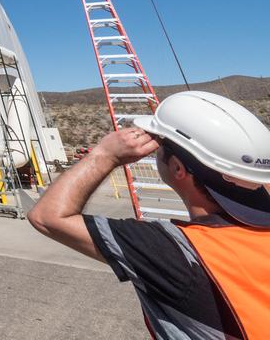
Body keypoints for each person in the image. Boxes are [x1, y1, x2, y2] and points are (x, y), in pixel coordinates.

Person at [28, 91, 270, 338]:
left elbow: (47, 217)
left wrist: (105, 155)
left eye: (159, 143)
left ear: (177, 168)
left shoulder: (174, 251)